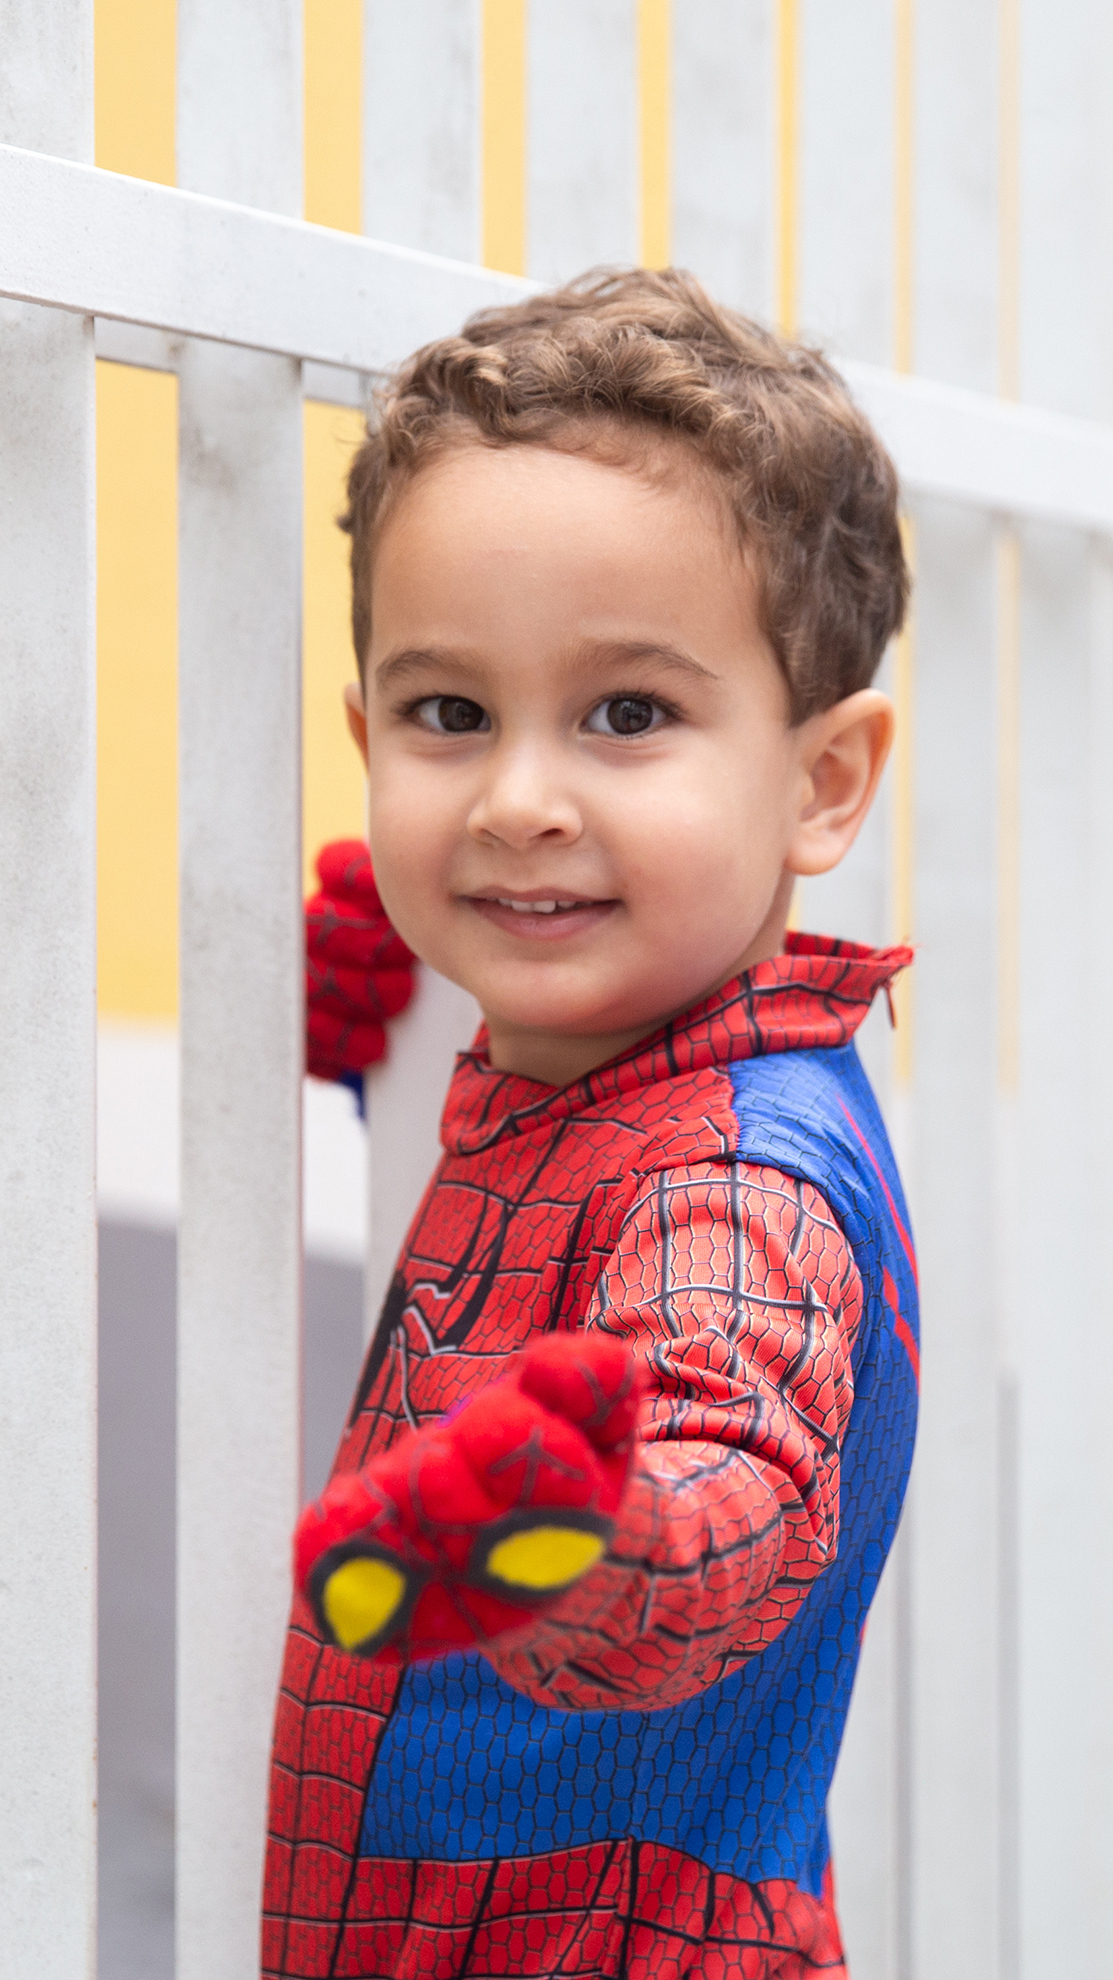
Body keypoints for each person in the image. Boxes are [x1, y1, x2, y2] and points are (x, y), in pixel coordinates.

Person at [265, 269, 918, 1980]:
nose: (518, 800)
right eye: (447, 715)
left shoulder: (732, 1169)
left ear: (822, 780)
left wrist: (567, 1530)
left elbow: (738, 1474)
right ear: (366, 739)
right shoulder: (584, 1053)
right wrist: (364, 1044)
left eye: (628, 714)